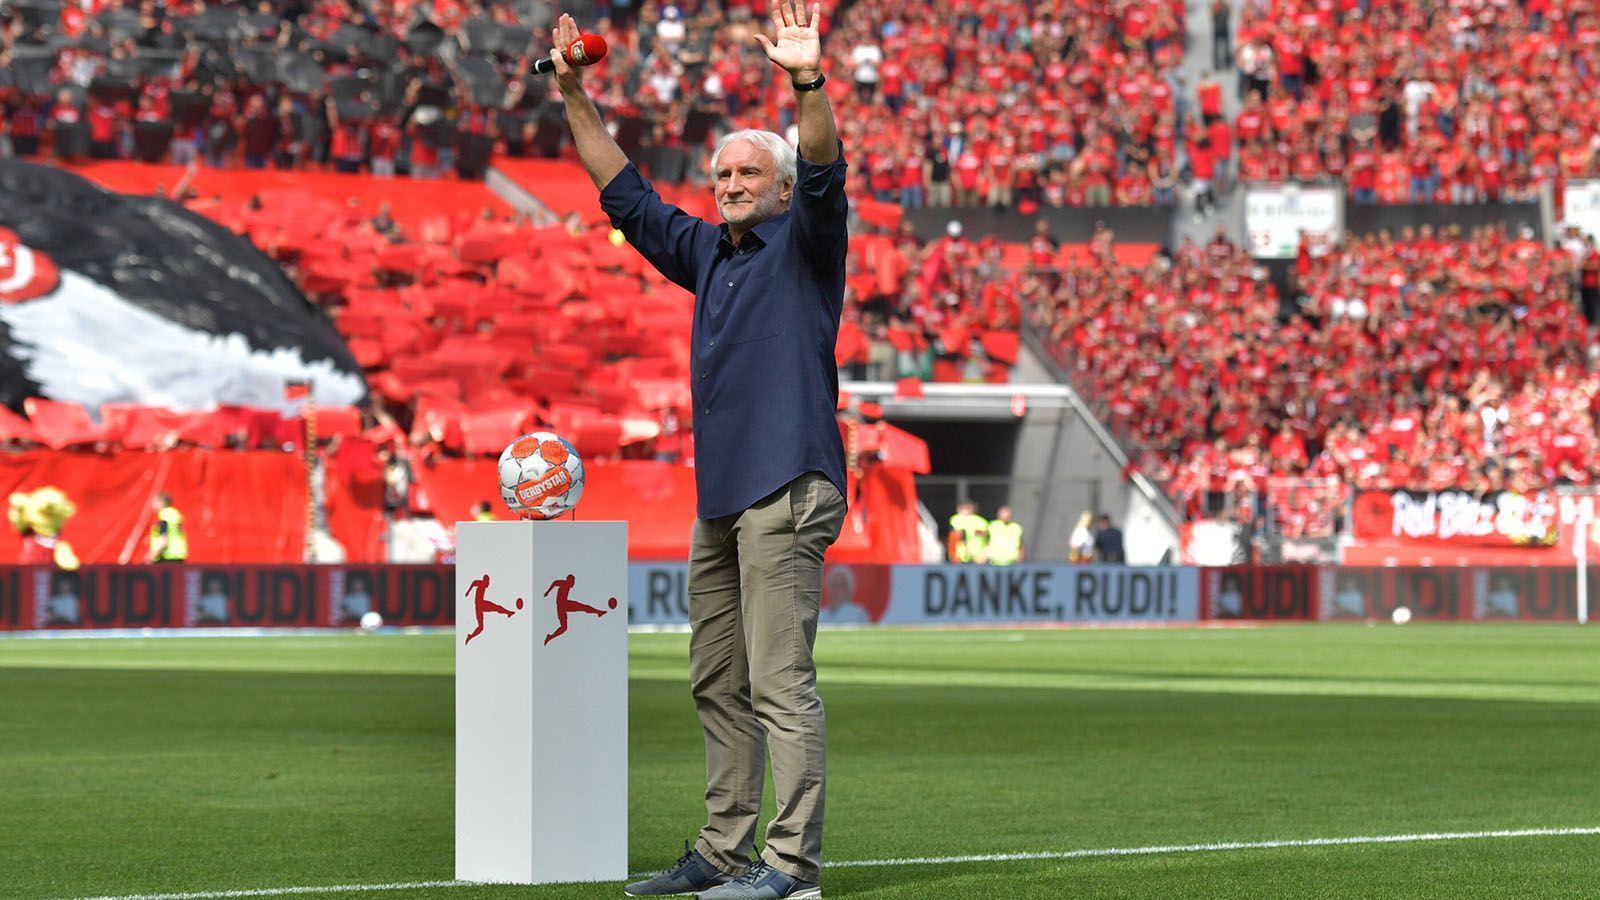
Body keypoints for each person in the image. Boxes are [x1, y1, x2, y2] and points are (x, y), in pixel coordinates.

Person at [554, 4, 849, 897]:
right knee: (717, 679)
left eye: (748, 172)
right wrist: (572, 95)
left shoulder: (806, 242)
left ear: (783, 187)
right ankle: (724, 852)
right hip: (722, 497)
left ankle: (791, 865)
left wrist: (806, 81)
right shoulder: (709, 253)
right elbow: (626, 193)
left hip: (788, 483)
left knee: (779, 684)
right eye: (720, 172)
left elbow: (827, 165)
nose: (726, 183)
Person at [147, 493, 188, 563]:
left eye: (155, 502)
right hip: (178, 555)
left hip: (166, 556)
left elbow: (164, 539)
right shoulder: (175, 514)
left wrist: (150, 557)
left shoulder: (164, 515)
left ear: (161, 502)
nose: (152, 505)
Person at [947, 499, 988, 564]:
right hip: (960, 557)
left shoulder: (981, 522)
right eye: (964, 507)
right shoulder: (955, 520)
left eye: (968, 507)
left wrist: (985, 554)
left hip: (978, 558)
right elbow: (953, 538)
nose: (966, 510)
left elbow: (986, 539)